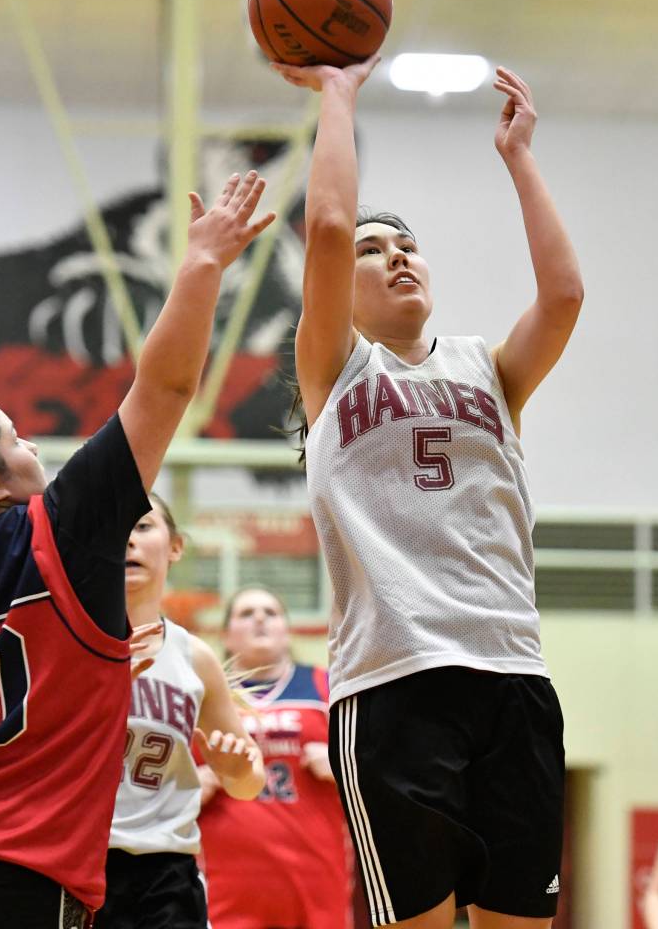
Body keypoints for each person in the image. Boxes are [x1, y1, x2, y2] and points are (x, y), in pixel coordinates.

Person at [0, 171, 275, 929]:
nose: (32, 444)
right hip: (9, 889)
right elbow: (162, 388)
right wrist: (200, 264)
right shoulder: (62, 536)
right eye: (16, 437)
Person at [271, 50, 583, 929]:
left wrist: (520, 160)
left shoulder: (486, 367)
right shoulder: (335, 373)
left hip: (514, 672)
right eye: (377, 252)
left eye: (408, 246)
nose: (397, 258)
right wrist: (339, 93)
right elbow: (327, 225)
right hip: (394, 679)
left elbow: (563, 297)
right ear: (346, 289)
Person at [96, 497, 265, 929]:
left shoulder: (196, 657)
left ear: (175, 546)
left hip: (166, 871)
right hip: (80, 861)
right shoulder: (68, 645)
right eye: (118, 529)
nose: (129, 541)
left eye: (144, 527)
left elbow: (247, 784)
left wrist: (236, 769)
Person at [198, 586, 352, 929]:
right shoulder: (204, 698)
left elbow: (381, 777)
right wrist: (192, 785)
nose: (259, 619)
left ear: (287, 630)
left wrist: (345, 766)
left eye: (271, 612)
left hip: (318, 877)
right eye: (246, 613)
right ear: (226, 634)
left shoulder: (328, 686)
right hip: (229, 884)